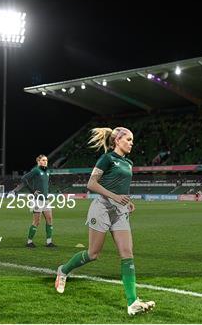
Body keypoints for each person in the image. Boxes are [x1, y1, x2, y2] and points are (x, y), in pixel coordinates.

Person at [54, 127, 155, 316]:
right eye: (129, 139)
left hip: (120, 211)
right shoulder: (107, 158)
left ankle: (132, 302)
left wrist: (126, 201)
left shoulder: (129, 162)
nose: (132, 142)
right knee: (93, 254)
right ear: (117, 140)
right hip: (101, 208)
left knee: (127, 253)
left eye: (132, 139)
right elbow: (91, 184)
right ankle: (63, 271)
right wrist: (115, 197)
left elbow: (120, 186)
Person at [22, 154, 55, 248]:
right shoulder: (36, 170)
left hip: (46, 200)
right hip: (37, 200)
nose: (45, 162)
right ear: (38, 161)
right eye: (43, 160)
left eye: (46, 160)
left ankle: (49, 242)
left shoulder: (47, 171)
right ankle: (29, 242)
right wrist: (32, 191)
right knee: (37, 221)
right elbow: (23, 178)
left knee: (49, 219)